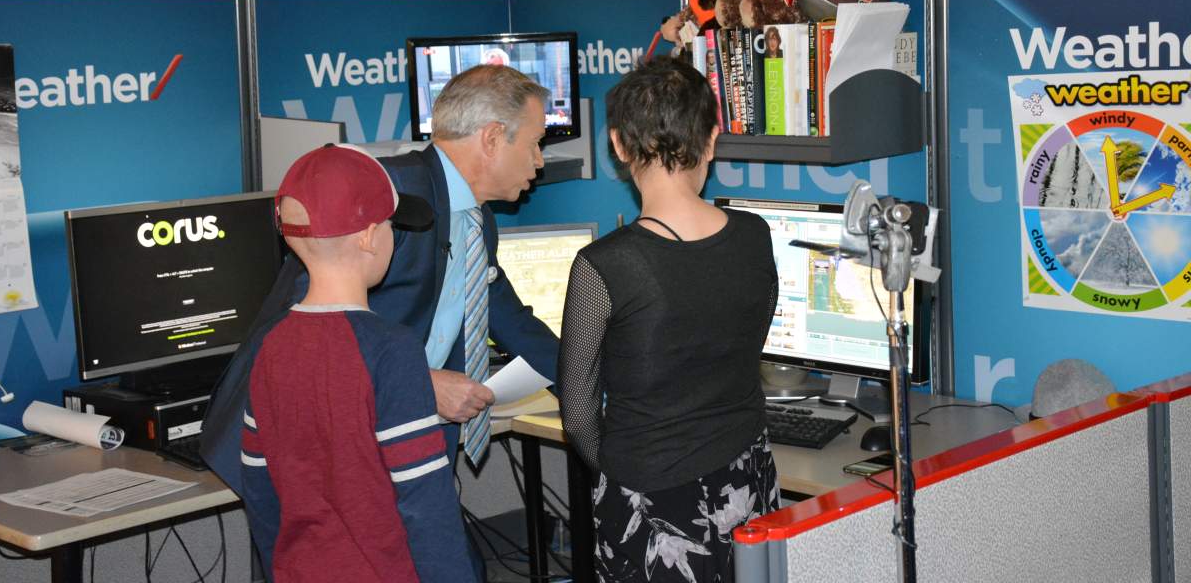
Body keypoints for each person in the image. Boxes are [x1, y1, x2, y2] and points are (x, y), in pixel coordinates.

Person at [199, 65, 559, 569]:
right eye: (537, 142)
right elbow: (313, 328)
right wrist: (419, 383)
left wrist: (594, 387)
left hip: (386, 449)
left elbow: (506, 315)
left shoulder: (476, 218)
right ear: (493, 138)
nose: (540, 162)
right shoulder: (390, 198)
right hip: (315, 464)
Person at [558, 55, 780, 583]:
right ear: (711, 140)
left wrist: (622, 469)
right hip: (746, 479)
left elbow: (578, 411)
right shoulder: (755, 236)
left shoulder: (604, 265)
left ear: (617, 144)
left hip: (648, 502)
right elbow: (747, 347)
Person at [240, 143, 476, 582]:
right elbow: (426, 504)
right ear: (369, 236)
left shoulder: (270, 347)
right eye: (390, 224)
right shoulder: (391, 349)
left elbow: (259, 486)